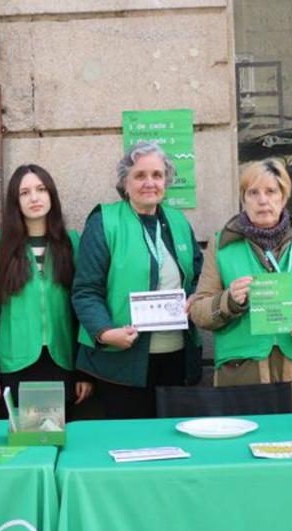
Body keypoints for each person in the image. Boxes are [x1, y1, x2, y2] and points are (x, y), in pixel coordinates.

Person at [188, 159, 292, 411]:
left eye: (271, 191)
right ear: (243, 199)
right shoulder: (222, 246)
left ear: (284, 196)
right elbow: (200, 311)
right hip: (243, 372)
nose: (262, 200)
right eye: (253, 192)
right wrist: (229, 300)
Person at [72, 140, 203, 419]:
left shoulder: (179, 223)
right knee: (130, 444)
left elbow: (198, 276)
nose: (149, 183)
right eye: (140, 175)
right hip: (122, 361)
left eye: (157, 175)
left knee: (171, 443)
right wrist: (106, 332)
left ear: (166, 181)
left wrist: (196, 297)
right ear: (125, 182)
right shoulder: (104, 222)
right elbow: (86, 291)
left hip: (177, 358)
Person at [0, 164, 93, 412]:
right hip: (13, 366)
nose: (34, 197)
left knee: (57, 442)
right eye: (24, 193)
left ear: (52, 196)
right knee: (21, 444)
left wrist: (85, 371)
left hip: (62, 364)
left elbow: (83, 312)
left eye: (41, 189)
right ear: (15, 201)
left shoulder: (73, 244)